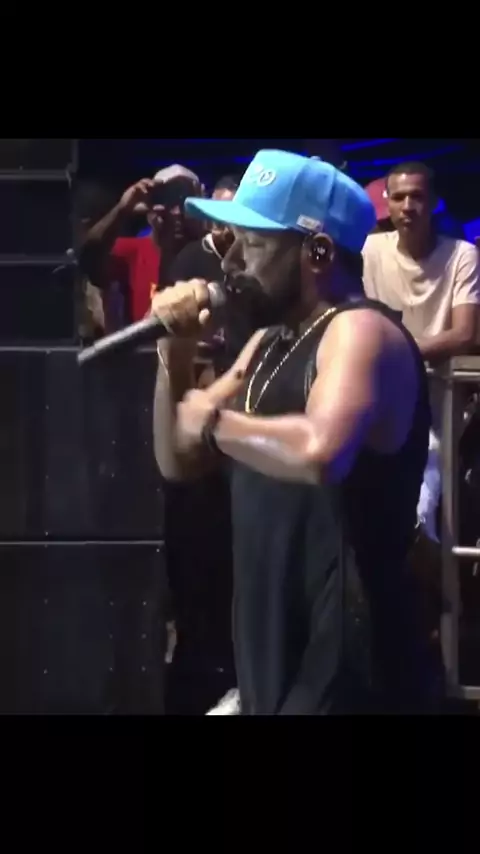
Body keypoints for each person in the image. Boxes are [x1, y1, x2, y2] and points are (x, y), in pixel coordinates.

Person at [152, 149, 439, 715]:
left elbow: (321, 451)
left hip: (349, 661)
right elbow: (176, 459)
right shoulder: (267, 342)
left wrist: (213, 420)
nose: (232, 262)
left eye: (253, 244)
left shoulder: (360, 331)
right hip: (273, 646)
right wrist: (174, 357)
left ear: (319, 251)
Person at [362, 161, 480, 542]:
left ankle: (428, 567)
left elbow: (464, 334)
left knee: (421, 499)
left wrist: (396, 351)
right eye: (399, 197)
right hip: (377, 399)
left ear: (434, 202)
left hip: (438, 405)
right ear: (388, 203)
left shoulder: (462, 254)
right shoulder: (370, 249)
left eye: (417, 197)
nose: (408, 206)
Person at [78, 165, 204, 330]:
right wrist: (122, 209)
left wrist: (203, 219)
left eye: (185, 201)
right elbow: (88, 256)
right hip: (147, 345)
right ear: (151, 208)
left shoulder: (209, 251)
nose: (176, 212)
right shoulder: (135, 251)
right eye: (167, 199)